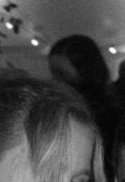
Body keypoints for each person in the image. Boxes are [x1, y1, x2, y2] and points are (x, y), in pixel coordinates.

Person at [48, 35, 121, 166]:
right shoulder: (59, 109)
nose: (55, 81)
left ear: (86, 73)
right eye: (53, 74)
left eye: (62, 74)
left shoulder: (109, 118)